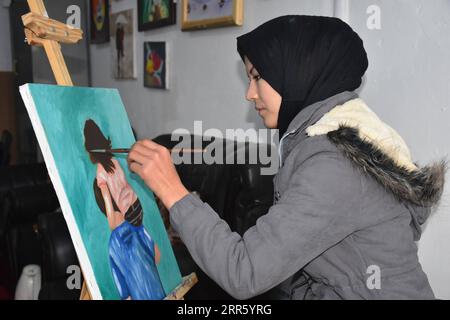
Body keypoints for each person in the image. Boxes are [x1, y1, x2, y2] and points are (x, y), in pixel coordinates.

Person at [127, 15, 446, 299]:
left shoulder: (334, 165)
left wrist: (172, 190)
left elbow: (244, 272)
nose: (249, 94)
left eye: (257, 77)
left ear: (296, 72)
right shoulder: (328, 139)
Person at [84, 119, 166, 300]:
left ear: (90, 148)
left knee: (120, 240)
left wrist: (112, 222)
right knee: (139, 240)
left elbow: (107, 198)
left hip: (126, 214)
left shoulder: (100, 172)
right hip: (136, 207)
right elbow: (158, 258)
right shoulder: (115, 161)